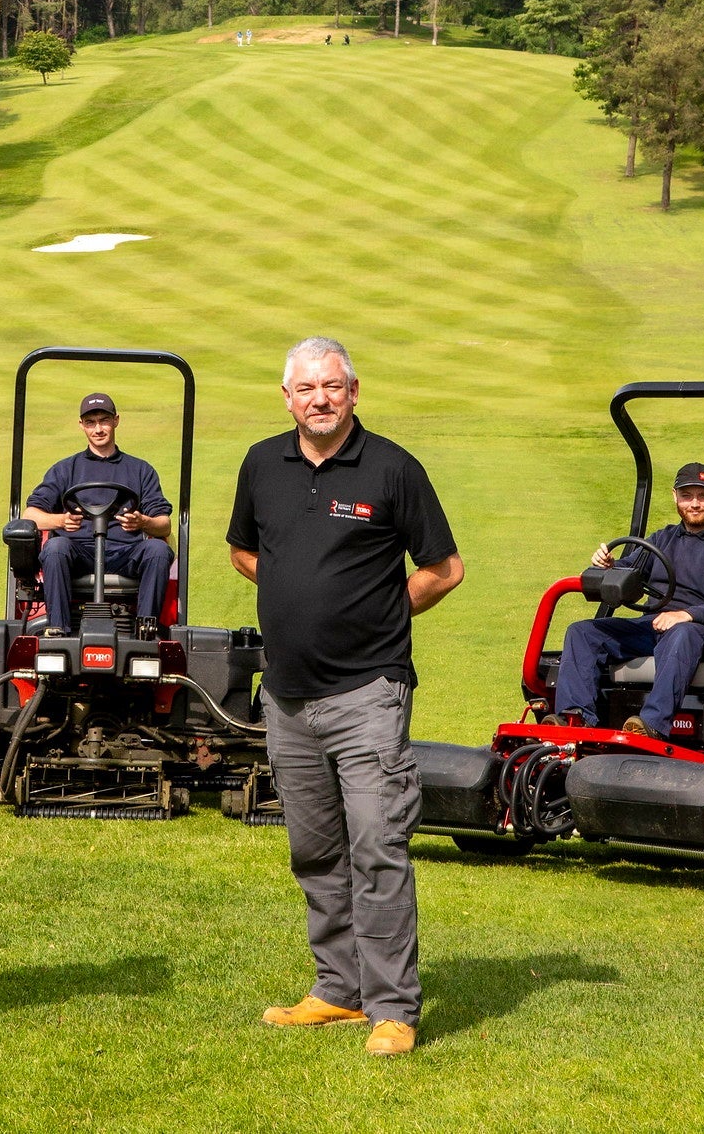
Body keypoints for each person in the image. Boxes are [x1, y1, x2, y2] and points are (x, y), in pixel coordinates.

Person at [228, 337, 463, 1058]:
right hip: (288, 699)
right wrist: (294, 590)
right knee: (316, 849)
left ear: (354, 391)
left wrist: (381, 612)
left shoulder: (392, 468)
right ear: (287, 397)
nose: (320, 399)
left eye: (332, 386)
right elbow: (242, 551)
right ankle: (338, 989)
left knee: (377, 846)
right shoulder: (262, 464)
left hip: (368, 693)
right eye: (306, 389)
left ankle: (393, 1008)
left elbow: (444, 568)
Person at [548, 463, 704, 737]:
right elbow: (631, 572)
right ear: (675, 497)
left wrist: (686, 614)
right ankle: (576, 719)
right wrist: (608, 565)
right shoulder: (663, 539)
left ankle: (652, 726)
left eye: (703, 496)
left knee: (682, 634)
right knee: (583, 632)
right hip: (656, 625)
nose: (694, 504)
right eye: (687, 495)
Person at [22, 393, 175, 637]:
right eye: (91, 422)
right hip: (78, 551)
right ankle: (58, 629)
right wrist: (60, 520)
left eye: (104, 420)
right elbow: (30, 515)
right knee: (55, 547)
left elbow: (164, 525)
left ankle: (146, 631)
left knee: (157, 551)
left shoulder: (140, 470)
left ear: (116, 421)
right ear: (81, 425)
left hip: (124, 552)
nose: (98, 429)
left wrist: (143, 521)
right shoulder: (65, 469)